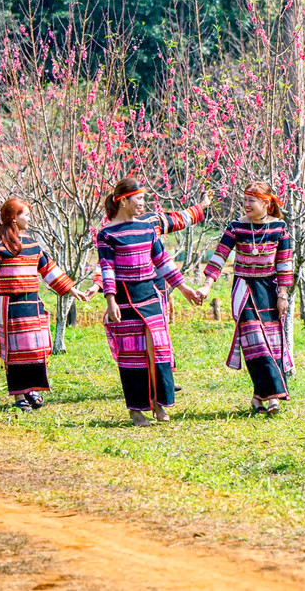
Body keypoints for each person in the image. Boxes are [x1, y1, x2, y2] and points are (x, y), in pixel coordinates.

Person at [97, 177, 203, 426]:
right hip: (124, 299)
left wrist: (183, 286)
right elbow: (107, 268)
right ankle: (136, 411)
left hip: (150, 295)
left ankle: (160, 405)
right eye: (139, 199)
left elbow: (163, 261)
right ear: (123, 200)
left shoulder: (146, 229)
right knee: (132, 355)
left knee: (159, 350)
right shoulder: (107, 234)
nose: (143, 204)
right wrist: (111, 300)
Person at [0, 198, 92, 411]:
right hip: (10, 305)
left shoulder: (33, 245)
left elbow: (49, 270)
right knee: (15, 352)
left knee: (34, 348)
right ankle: (18, 396)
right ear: (14, 218)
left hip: (31, 303)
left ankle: (32, 389)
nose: (29, 218)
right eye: (25, 214)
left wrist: (71, 289)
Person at [200, 182, 294, 414]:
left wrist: (283, 295)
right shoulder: (236, 227)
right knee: (256, 342)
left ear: (266, 202)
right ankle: (274, 397)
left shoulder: (279, 228)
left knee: (271, 343)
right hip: (244, 289)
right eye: (245, 199)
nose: (246, 204)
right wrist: (206, 286)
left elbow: (284, 264)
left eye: (251, 200)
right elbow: (219, 256)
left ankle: (258, 398)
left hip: (269, 290)